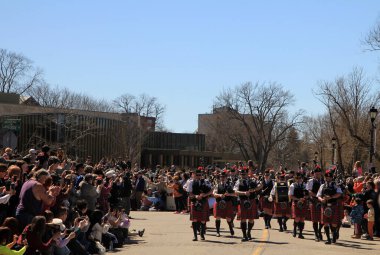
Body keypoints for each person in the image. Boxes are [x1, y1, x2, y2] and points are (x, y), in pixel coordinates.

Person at [234, 168, 261, 242]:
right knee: (243, 219)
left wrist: (254, 190)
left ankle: (248, 232)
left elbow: (261, 185)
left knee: (251, 219)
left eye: (244, 174)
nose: (243, 175)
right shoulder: (238, 181)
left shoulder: (252, 180)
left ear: (247, 174)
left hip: (251, 200)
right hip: (242, 201)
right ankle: (244, 235)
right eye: (242, 174)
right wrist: (244, 193)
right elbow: (235, 191)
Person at [317, 170, 343, 244]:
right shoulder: (322, 185)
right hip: (324, 206)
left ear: (331, 178)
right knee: (325, 222)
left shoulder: (335, 185)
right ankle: (328, 239)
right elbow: (318, 195)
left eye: (329, 177)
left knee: (334, 223)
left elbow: (339, 193)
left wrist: (331, 197)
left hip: (333, 205)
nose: (328, 178)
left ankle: (334, 236)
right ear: (325, 177)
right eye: (326, 177)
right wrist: (322, 199)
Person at [188, 168, 212, 241]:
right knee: (194, 219)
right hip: (194, 201)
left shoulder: (206, 181)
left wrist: (204, 195)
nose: (199, 176)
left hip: (203, 201)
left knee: (203, 220)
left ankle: (202, 234)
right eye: (197, 175)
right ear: (194, 175)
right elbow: (189, 193)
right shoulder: (191, 182)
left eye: (200, 175)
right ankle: (195, 236)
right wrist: (195, 196)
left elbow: (211, 190)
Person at [213, 171, 236, 237]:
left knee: (228, 218)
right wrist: (220, 195)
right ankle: (217, 232)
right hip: (219, 202)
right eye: (221, 177)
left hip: (227, 203)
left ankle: (231, 229)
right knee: (218, 217)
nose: (222, 178)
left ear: (226, 178)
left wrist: (229, 194)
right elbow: (214, 193)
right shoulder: (217, 185)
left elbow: (235, 194)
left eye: (224, 177)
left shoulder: (230, 185)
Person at [306, 167, 325, 241]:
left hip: (322, 201)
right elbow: (309, 192)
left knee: (322, 218)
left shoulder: (323, 181)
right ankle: (316, 234)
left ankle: (319, 230)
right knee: (314, 219)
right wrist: (317, 196)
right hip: (314, 201)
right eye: (316, 174)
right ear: (314, 174)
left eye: (319, 174)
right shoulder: (311, 181)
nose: (317, 175)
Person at [289, 172, 308, 239]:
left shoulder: (305, 185)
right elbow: (290, 196)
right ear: (295, 178)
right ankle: (294, 230)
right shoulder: (292, 185)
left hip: (303, 202)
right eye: (297, 178)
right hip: (296, 202)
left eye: (300, 178)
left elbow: (307, 194)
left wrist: (304, 198)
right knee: (297, 218)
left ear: (302, 178)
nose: (299, 179)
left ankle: (300, 233)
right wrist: (298, 199)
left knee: (302, 218)